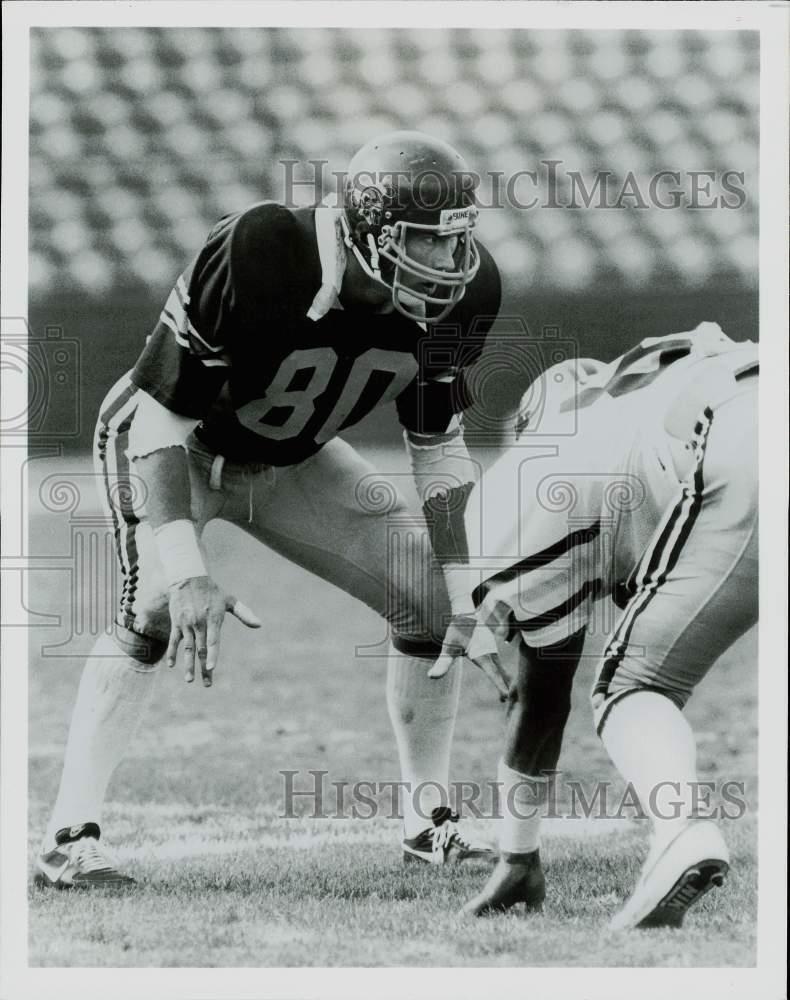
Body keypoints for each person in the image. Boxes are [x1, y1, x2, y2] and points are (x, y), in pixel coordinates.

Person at [35, 131, 508, 888]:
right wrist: (188, 568)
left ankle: (428, 822)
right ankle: (71, 838)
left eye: (455, 244)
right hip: (173, 443)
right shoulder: (262, 250)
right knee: (153, 605)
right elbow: (160, 419)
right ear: (368, 229)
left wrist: (464, 592)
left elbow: (439, 446)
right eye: (426, 242)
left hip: (294, 458)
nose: (450, 266)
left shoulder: (465, 298)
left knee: (427, 601)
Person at [428, 322, 758, 928]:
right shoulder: (637, 391)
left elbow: (542, 694)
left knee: (632, 687)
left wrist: (519, 851)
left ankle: (681, 829)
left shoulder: (541, 477)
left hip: (738, 450)